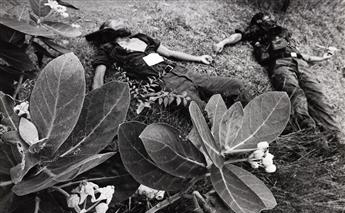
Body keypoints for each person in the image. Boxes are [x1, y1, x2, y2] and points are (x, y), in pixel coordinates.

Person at [213, 12, 341, 134]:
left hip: (300, 62)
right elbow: (238, 36)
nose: (271, 20)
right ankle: (309, 133)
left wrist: (323, 58)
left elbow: (304, 56)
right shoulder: (258, 33)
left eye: (271, 18)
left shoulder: (283, 33)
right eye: (267, 18)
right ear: (259, 22)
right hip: (280, 64)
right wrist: (222, 42)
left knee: (317, 96)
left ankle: (334, 137)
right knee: (296, 95)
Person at [85, 19, 247, 108]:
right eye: (115, 22)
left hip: (186, 72)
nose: (121, 22)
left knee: (236, 85)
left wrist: (198, 58)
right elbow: (98, 77)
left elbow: (170, 53)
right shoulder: (110, 49)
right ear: (106, 30)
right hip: (169, 85)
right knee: (205, 113)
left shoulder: (141, 37)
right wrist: (95, 103)